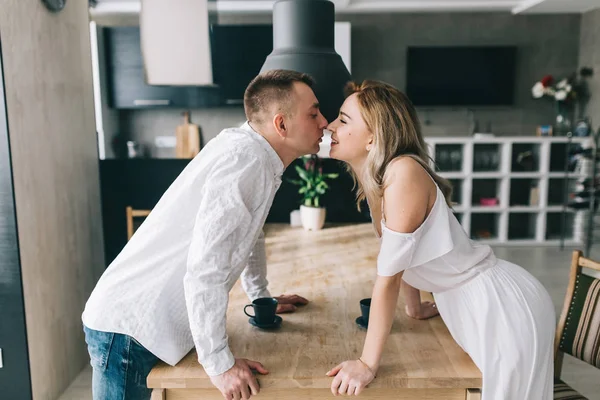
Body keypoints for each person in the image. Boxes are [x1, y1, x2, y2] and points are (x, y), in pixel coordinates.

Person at [82, 69, 328, 400]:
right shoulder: (247, 159)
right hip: (128, 326)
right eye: (313, 113)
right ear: (281, 125)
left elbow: (248, 232)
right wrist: (219, 364)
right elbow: (205, 266)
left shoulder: (257, 155)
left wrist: (261, 297)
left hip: (138, 321)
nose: (324, 122)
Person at [325, 80, 555, 399]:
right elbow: (401, 256)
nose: (329, 125)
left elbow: (388, 278)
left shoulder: (402, 172)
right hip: (472, 302)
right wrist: (415, 306)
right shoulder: (383, 180)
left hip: (498, 306)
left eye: (342, 119)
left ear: (373, 136)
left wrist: (366, 363)